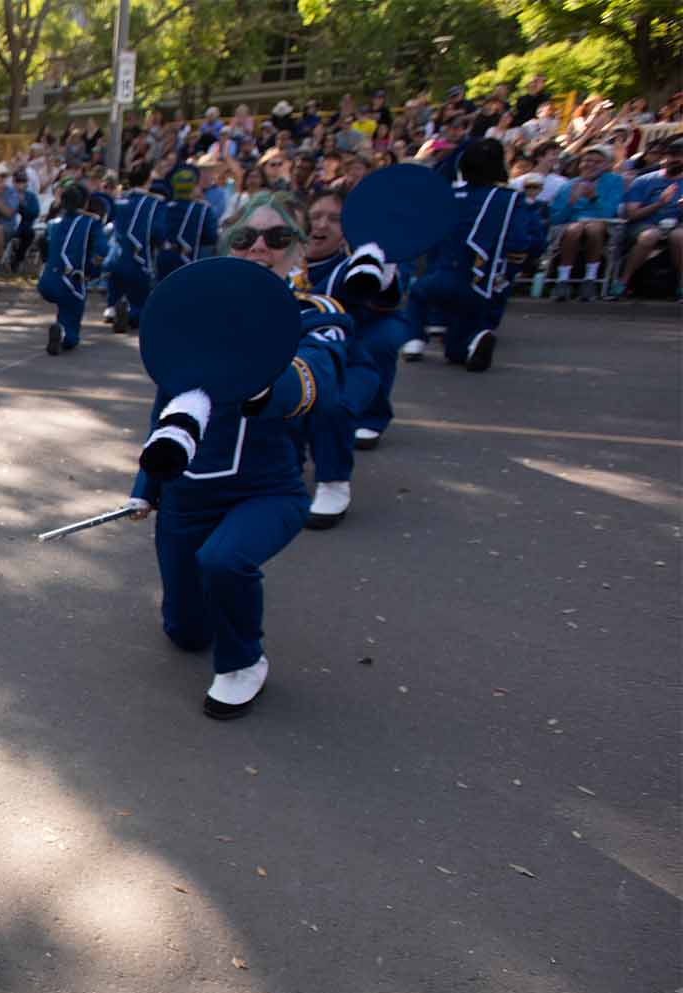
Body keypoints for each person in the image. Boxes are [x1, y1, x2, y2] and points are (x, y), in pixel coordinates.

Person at [127, 194, 348, 718]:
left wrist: (257, 384)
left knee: (224, 559)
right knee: (184, 633)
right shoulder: (198, 321)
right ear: (228, 245)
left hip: (265, 489)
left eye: (277, 238)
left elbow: (319, 378)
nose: (260, 248)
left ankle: (244, 661)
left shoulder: (314, 314)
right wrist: (145, 488)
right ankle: (202, 615)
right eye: (247, 237)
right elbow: (168, 406)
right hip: (186, 496)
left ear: (296, 250)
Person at [402, 141, 546, 371]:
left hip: (441, 274)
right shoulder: (509, 199)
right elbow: (521, 241)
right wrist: (513, 267)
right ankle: (475, 339)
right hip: (480, 282)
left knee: (418, 295)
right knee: (457, 349)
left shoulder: (447, 194)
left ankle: (414, 342)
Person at [289, 189, 382, 529]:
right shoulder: (283, 261)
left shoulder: (352, 265)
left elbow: (374, 284)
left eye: (334, 218)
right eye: (315, 217)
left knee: (331, 405)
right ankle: (282, 472)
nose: (321, 224)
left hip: (347, 365)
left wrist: (369, 260)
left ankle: (333, 482)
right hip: (291, 361)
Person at [548, 147, 625, 301]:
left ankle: (589, 280)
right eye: (587, 161)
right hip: (570, 224)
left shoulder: (614, 181)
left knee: (594, 228)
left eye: (597, 162)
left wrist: (594, 198)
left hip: (603, 224)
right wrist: (570, 203)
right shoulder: (568, 185)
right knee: (574, 229)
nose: (590, 165)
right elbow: (556, 218)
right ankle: (563, 280)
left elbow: (609, 213)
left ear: (607, 165)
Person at [38, 183, 105, 356]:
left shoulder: (53, 222)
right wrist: (94, 269)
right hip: (71, 280)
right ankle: (64, 333)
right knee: (72, 315)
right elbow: (102, 250)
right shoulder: (91, 222)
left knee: (64, 306)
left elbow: (42, 243)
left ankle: (61, 326)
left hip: (46, 279)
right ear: (85, 202)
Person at [615, 137, 683, 300]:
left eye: (679, 156)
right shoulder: (644, 180)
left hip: (677, 225)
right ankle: (622, 283)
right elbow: (632, 214)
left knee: (680, 237)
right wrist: (659, 203)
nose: (674, 160)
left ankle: (681, 286)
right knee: (650, 236)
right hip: (645, 224)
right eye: (671, 156)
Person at [103, 167, 163, 331]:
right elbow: (158, 231)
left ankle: (112, 309)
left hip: (115, 256)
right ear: (147, 181)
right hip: (139, 258)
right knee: (140, 300)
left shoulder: (119, 200)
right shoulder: (153, 203)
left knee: (116, 284)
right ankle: (130, 314)